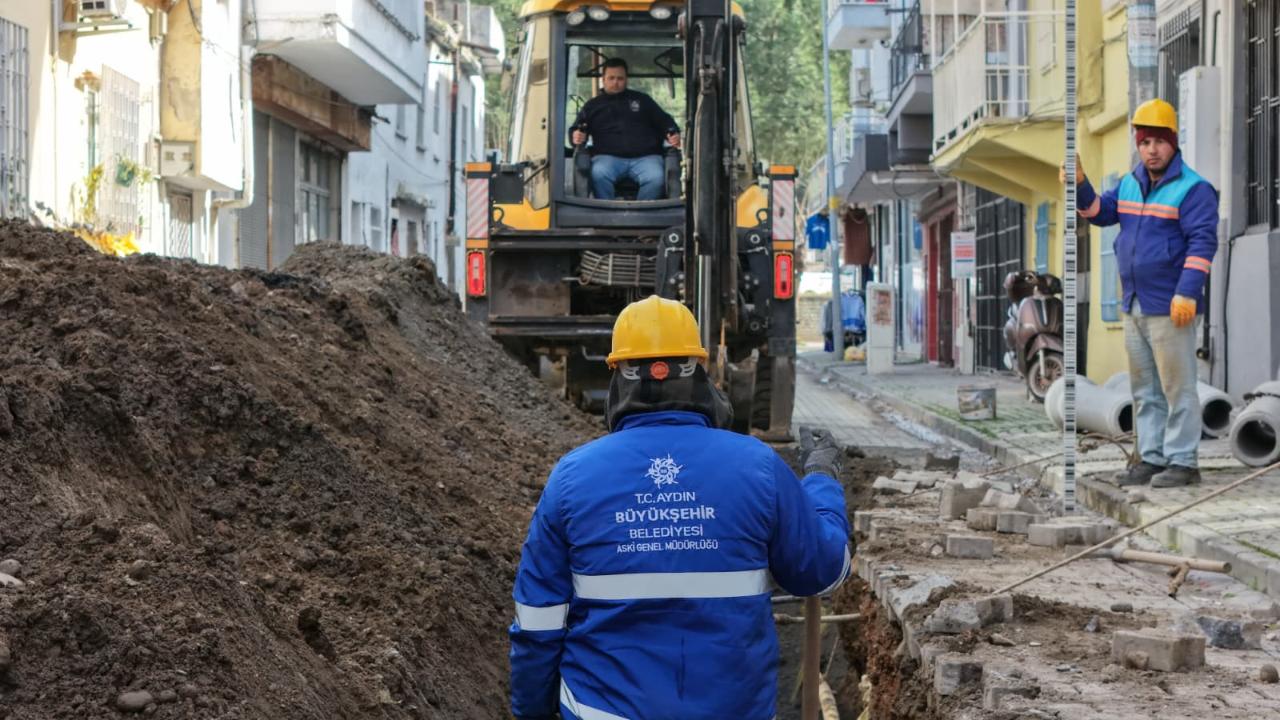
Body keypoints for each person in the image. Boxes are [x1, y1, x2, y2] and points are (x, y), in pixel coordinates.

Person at [508, 295, 851, 720]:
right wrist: (822, 481)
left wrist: (533, 714)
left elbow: (538, 624)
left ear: (617, 378)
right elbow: (821, 570)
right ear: (700, 374)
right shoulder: (757, 466)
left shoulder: (573, 478)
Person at [1062, 98, 1219, 488]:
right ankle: (1151, 457)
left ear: (1173, 142)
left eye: (1159, 142)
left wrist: (1187, 292)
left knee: (1177, 388)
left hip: (1171, 307)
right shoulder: (1130, 184)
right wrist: (1081, 184)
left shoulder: (1193, 189)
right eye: (1145, 142)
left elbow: (1202, 243)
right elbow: (1100, 212)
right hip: (1133, 304)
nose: (1151, 150)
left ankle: (1183, 461)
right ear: (1138, 143)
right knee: (1145, 390)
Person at [570, 58, 681, 200]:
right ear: (603, 79)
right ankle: (608, 215)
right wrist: (575, 135)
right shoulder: (592, 106)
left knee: (657, 178)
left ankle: (641, 215)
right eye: (611, 78)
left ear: (626, 80)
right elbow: (576, 129)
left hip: (646, 157)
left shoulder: (642, 100)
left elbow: (666, 121)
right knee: (598, 174)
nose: (615, 82)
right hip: (607, 158)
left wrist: (673, 133)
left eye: (620, 78)